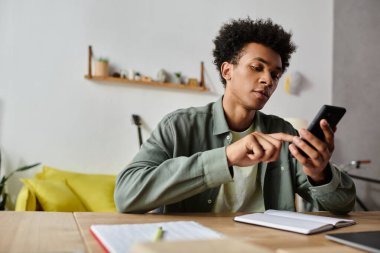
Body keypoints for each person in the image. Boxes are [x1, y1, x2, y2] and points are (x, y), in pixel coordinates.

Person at [114, 17, 355, 214]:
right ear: (227, 70)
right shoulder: (179, 126)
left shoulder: (283, 134)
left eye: (275, 74)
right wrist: (226, 157)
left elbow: (343, 206)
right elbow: (126, 195)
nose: (268, 80)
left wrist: (319, 174)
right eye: (256, 67)